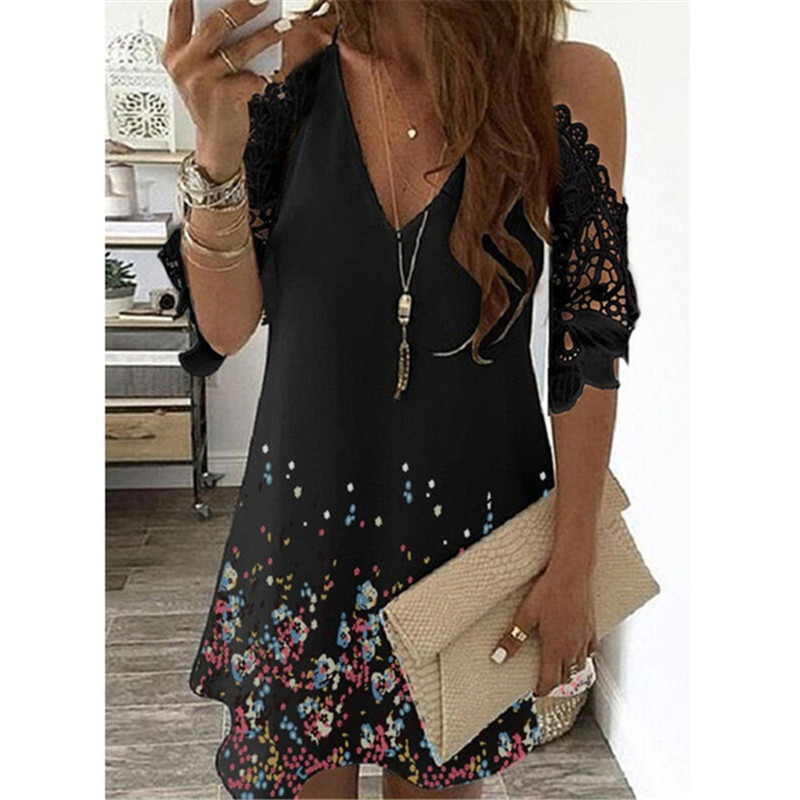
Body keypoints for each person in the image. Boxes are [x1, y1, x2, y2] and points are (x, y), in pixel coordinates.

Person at [157, 1, 640, 798]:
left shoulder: (564, 81)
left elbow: (586, 341)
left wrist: (574, 558)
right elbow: (228, 325)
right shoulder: (287, 75)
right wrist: (215, 147)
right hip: (302, 537)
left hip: (469, 541)